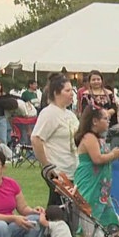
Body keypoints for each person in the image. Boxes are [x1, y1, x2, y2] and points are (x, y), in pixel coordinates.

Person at [73, 107, 119, 237]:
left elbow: (104, 156)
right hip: (90, 181)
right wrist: (113, 155)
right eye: (105, 119)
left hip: (100, 185)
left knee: (104, 211)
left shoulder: (99, 138)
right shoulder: (89, 137)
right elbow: (97, 159)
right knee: (88, 212)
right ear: (95, 121)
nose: (108, 122)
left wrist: (114, 154)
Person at [32, 76, 82, 206]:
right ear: (56, 93)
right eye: (67, 90)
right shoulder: (49, 113)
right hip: (58, 170)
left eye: (72, 90)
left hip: (73, 168)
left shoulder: (70, 114)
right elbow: (36, 139)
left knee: (71, 210)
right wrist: (47, 166)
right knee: (58, 209)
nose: (71, 94)